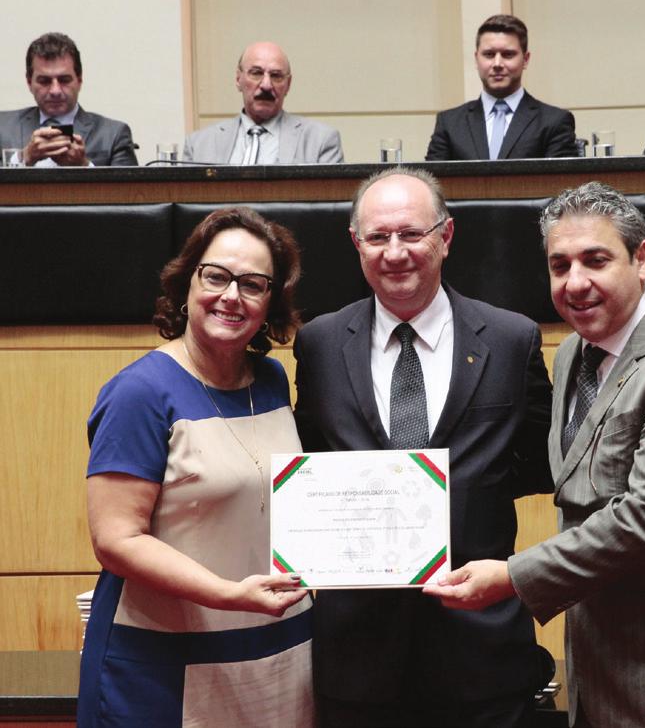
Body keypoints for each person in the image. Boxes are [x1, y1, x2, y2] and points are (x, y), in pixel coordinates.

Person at [424, 182, 645, 727]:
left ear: (641, 259)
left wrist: (511, 576)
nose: (576, 283)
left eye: (596, 260)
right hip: (604, 660)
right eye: (559, 265)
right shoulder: (574, 352)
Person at [293, 166, 554, 727]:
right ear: (355, 244)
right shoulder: (317, 344)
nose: (395, 252)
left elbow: (540, 462)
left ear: (446, 236)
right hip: (356, 658)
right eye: (378, 237)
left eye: (411, 234)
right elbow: (308, 466)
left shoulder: (511, 340)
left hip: (482, 655)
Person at [78, 207, 314, 727]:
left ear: (271, 301)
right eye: (217, 276)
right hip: (163, 665)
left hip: (276, 650)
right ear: (187, 283)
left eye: (254, 284)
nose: (232, 296)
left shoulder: (272, 380)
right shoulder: (140, 392)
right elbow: (117, 540)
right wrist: (228, 594)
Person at [426, 14, 577, 160]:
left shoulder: (554, 122)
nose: (497, 64)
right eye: (489, 54)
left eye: (508, 54)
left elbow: (561, 183)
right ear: (476, 59)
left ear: (525, 59)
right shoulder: (449, 123)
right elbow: (431, 183)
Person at [183, 41, 344, 164]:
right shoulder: (199, 145)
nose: (266, 85)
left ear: (288, 84)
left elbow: (329, 206)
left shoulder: (320, 140)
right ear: (238, 79)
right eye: (256, 73)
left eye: (276, 76)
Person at [0, 32, 138, 166]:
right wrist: (22, 159)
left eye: (64, 80)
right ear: (29, 82)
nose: (55, 91)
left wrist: (84, 166)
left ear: (79, 80)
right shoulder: (3, 128)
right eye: (44, 81)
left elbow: (131, 189)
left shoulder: (113, 135)